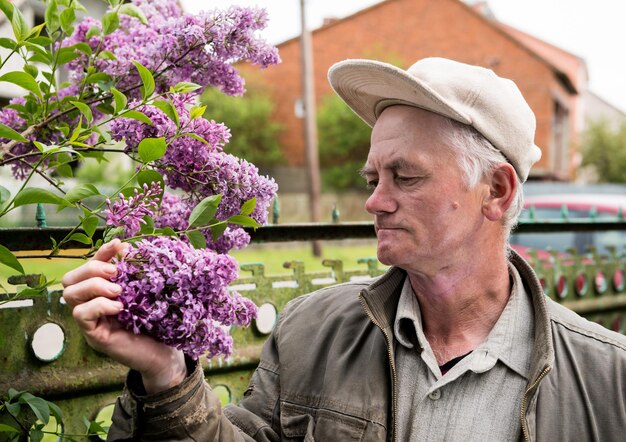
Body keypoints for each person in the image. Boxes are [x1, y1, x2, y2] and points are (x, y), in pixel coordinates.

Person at [62, 57, 626, 441]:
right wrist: (166, 376)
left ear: (496, 191)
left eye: (404, 177)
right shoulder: (314, 329)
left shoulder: (606, 379)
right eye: (371, 178)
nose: (375, 202)